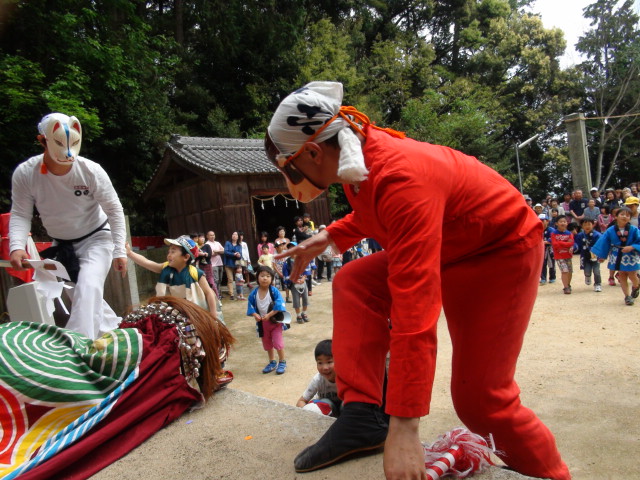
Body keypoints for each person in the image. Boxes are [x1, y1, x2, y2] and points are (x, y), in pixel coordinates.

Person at [264, 81, 569, 480]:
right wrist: (331, 236)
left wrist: (405, 428)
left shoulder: (400, 174)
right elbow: (377, 210)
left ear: (314, 152)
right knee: (355, 281)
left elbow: (415, 309)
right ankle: (361, 416)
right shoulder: (358, 157)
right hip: (452, 242)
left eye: (287, 168)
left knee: (481, 399)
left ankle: (554, 474)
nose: (289, 180)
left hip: (499, 251)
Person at [9, 113, 127, 340]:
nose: (69, 152)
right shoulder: (26, 173)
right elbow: (20, 213)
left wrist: (119, 251)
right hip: (62, 245)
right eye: (60, 144)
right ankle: (114, 341)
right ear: (42, 141)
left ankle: (74, 351)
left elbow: (114, 209)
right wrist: (16, 246)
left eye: (73, 143)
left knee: (89, 287)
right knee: (84, 299)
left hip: (97, 237)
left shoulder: (91, 170)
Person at [126, 235, 219, 315]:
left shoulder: (195, 273)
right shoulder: (166, 269)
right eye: (169, 252)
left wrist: (213, 314)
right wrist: (130, 253)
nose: (169, 255)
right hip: (176, 312)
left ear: (186, 257)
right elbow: (147, 263)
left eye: (173, 252)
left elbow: (209, 293)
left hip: (195, 312)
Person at [592, 206, 640, 305]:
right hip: (616, 253)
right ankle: (627, 296)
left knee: (632, 275)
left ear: (630, 218)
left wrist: (632, 247)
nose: (624, 217)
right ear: (616, 217)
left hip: (630, 254)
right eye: (622, 214)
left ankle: (636, 286)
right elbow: (604, 242)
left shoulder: (634, 230)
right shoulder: (610, 230)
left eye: (627, 215)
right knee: (621, 275)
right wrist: (602, 256)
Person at [246, 265, 288, 375]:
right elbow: (250, 305)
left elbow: (279, 305)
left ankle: (282, 361)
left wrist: (269, 315)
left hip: (275, 322)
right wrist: (255, 314)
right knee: (267, 343)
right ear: (257, 278)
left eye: (268, 276)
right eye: (262, 276)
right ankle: (272, 362)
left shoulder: (274, 291)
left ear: (272, 279)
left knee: (278, 342)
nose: (265, 278)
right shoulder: (254, 293)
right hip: (262, 324)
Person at [296, 339, 341, 417]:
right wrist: (309, 412)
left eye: (329, 362)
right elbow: (301, 401)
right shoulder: (318, 380)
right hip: (326, 414)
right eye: (320, 363)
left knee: (351, 403)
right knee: (322, 404)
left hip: (345, 413)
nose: (325, 367)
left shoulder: (345, 378)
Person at [282, 243, 310, 324]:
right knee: (296, 300)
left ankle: (304, 313)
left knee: (305, 298)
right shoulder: (286, 263)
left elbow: (307, 270)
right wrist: (293, 280)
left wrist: (304, 278)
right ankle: (298, 315)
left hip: (302, 282)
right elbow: (285, 275)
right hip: (294, 284)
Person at [574, 218, 602, 292]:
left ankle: (598, 284)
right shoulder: (580, 235)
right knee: (587, 270)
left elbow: (600, 244)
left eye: (589, 224)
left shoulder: (597, 235)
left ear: (593, 225)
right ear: (582, 226)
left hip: (595, 255)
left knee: (596, 271)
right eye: (585, 225)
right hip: (585, 255)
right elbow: (577, 243)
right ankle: (587, 276)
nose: (587, 226)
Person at [550, 216, 575, 295]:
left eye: (564, 221)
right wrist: (565, 244)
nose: (563, 223)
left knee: (570, 271)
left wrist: (560, 243)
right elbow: (555, 244)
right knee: (564, 271)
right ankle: (566, 287)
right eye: (561, 221)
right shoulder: (554, 233)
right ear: (556, 223)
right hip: (559, 255)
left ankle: (568, 284)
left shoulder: (569, 233)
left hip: (568, 255)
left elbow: (571, 243)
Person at [206, 230, 225, 297]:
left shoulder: (217, 243)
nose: (212, 236)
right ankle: (216, 294)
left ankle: (219, 293)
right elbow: (210, 254)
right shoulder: (207, 244)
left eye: (213, 235)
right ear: (207, 236)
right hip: (213, 264)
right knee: (215, 280)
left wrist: (217, 251)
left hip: (220, 263)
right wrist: (217, 252)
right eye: (211, 235)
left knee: (220, 279)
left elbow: (223, 251)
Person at [224, 232, 242, 300]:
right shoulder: (227, 243)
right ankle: (231, 294)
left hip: (236, 265)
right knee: (230, 279)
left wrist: (239, 255)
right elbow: (226, 252)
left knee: (238, 279)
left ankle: (239, 293)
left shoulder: (239, 246)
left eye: (236, 235)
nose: (234, 236)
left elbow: (240, 256)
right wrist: (234, 254)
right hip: (228, 264)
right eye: (233, 234)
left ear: (238, 237)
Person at [540, 214, 556, 285]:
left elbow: (552, 239)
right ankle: (543, 278)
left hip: (550, 249)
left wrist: (543, 242)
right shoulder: (537, 230)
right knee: (542, 264)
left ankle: (552, 277)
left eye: (543, 220)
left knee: (551, 264)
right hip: (541, 249)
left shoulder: (551, 230)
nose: (541, 222)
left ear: (547, 221)